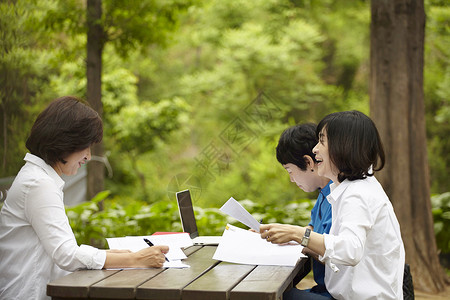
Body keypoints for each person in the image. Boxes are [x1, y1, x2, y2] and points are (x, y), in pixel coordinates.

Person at [0, 96, 169, 300]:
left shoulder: (38, 178)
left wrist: (119, 255)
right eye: (85, 146)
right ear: (64, 142)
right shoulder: (38, 183)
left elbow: (63, 250)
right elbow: (66, 255)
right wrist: (134, 259)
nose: (88, 156)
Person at [260, 111, 405, 300]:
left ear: (344, 147)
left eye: (322, 141)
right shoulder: (348, 188)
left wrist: (298, 235)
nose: (315, 149)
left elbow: (350, 250)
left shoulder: (357, 193)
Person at [276, 123, 332, 298]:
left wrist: (297, 236)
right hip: (325, 290)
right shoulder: (324, 195)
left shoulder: (339, 197)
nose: (292, 180)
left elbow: (335, 252)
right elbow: (313, 231)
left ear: (309, 162)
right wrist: (274, 233)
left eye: (290, 171)